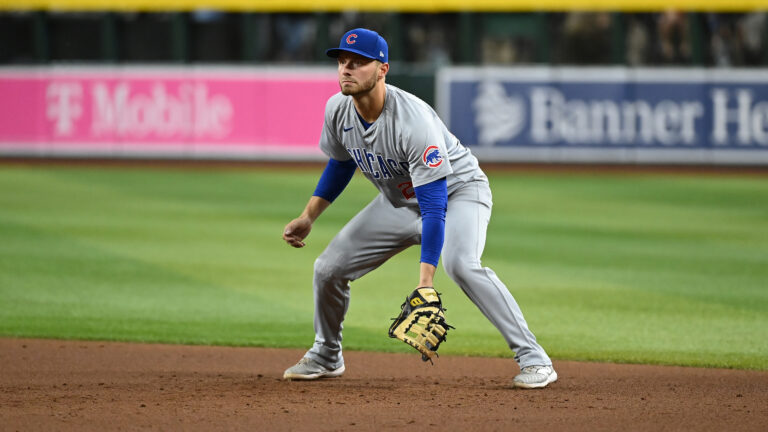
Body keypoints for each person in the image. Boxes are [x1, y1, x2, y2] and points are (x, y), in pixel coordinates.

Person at [281, 28, 557, 389]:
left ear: (382, 69)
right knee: (328, 268)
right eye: (342, 62)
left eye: (359, 63)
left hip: (458, 194)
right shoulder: (338, 110)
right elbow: (341, 163)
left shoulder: (413, 122)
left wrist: (425, 282)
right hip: (397, 202)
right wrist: (309, 216)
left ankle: (535, 359)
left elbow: (433, 206)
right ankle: (326, 354)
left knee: (460, 265)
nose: (346, 69)